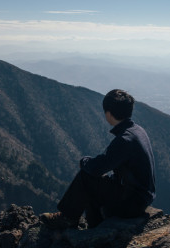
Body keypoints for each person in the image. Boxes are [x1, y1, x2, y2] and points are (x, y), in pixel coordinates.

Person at [41, 89, 156, 229]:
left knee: (86, 176)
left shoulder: (125, 140)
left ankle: (67, 218)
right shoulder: (137, 130)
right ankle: (95, 226)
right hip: (140, 197)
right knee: (94, 181)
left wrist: (84, 161)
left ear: (108, 113)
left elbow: (97, 168)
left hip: (132, 203)